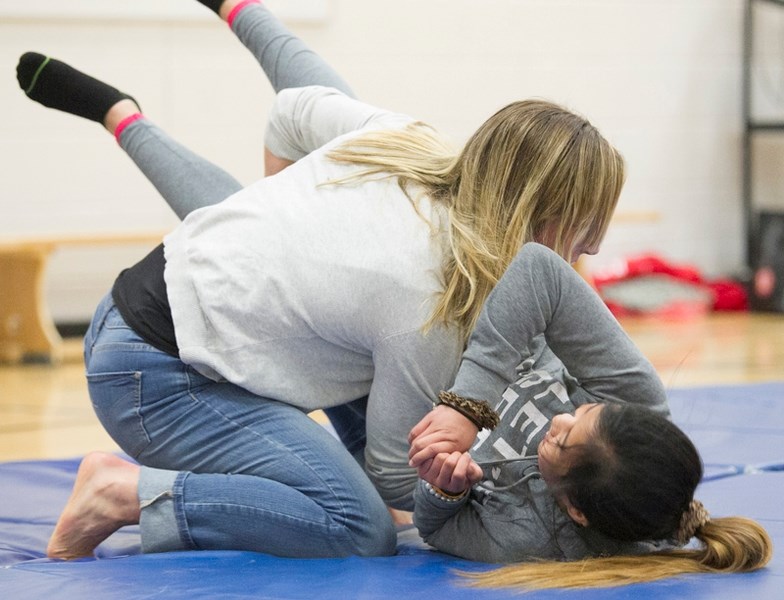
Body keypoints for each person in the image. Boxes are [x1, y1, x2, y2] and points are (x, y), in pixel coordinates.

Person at [17, 0, 625, 560]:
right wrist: (459, 486)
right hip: (151, 377)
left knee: (357, 331)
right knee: (360, 525)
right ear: (538, 216)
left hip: (159, 296)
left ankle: (134, 110)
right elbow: (393, 473)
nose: (594, 246)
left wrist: (273, 212)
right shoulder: (429, 302)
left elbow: (290, 110)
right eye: (587, 227)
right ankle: (121, 493)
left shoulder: (407, 140)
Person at [407, 243, 773, 590]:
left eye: (561, 442)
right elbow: (539, 268)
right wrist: (467, 405)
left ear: (574, 509)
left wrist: (446, 491)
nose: (559, 421)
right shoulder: (638, 398)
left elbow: (437, 528)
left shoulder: (533, 538)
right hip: (482, 313)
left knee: (390, 482)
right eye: (586, 410)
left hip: (420, 385)